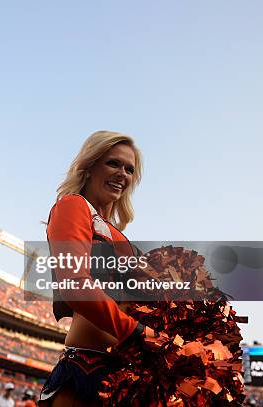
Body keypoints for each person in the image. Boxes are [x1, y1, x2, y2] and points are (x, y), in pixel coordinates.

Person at [38, 131, 159, 406]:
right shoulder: (72, 206)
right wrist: (137, 332)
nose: (123, 174)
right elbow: (75, 284)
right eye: (113, 164)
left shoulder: (120, 236)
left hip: (124, 374)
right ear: (90, 166)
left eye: (129, 169)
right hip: (86, 370)